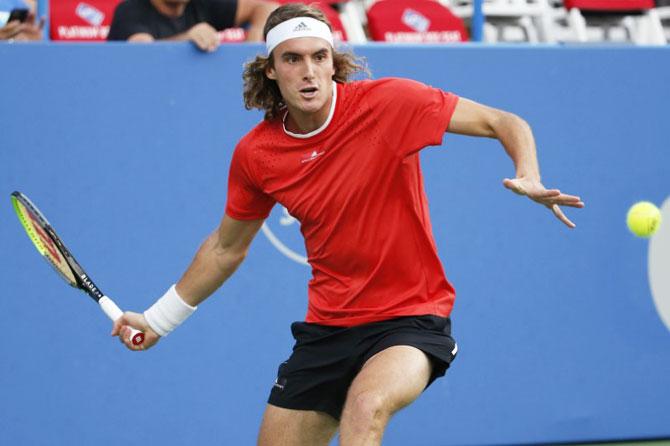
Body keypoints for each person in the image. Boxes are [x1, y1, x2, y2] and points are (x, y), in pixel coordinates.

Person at [112, 3, 585, 445]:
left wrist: (529, 173)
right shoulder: (256, 154)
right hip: (328, 328)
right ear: (271, 70)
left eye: (319, 56)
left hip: (411, 318)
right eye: (292, 59)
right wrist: (157, 320)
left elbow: (503, 121)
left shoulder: (391, 103)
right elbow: (225, 249)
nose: (309, 70)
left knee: (367, 406)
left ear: (333, 61)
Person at [107, 0, 278, 52]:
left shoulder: (201, 4)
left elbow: (268, 8)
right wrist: (187, 39)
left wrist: (253, 42)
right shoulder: (130, 10)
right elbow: (141, 53)